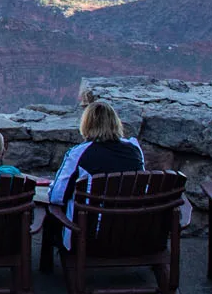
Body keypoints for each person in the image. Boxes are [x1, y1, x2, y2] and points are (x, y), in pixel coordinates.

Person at [48, 100, 145, 246]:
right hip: (130, 234)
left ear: (86, 124)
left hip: (89, 238)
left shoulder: (79, 154)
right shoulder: (134, 149)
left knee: (51, 212)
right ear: (115, 123)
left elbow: (57, 197)